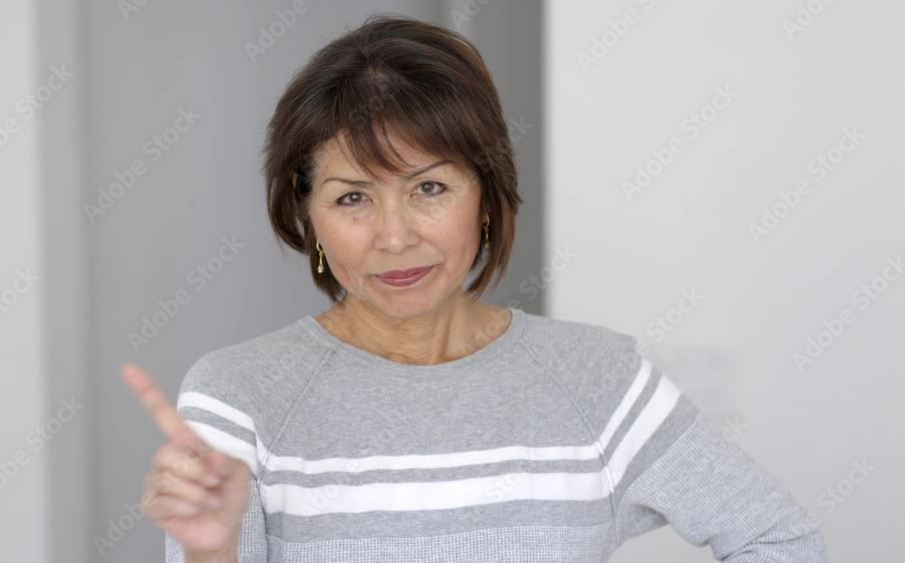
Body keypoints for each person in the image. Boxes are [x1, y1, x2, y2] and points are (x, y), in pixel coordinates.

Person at [124, 14, 827, 563]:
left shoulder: (598, 379)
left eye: (429, 187)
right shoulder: (239, 397)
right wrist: (212, 550)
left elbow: (779, 540)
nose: (394, 236)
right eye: (352, 198)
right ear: (307, 217)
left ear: (485, 195)